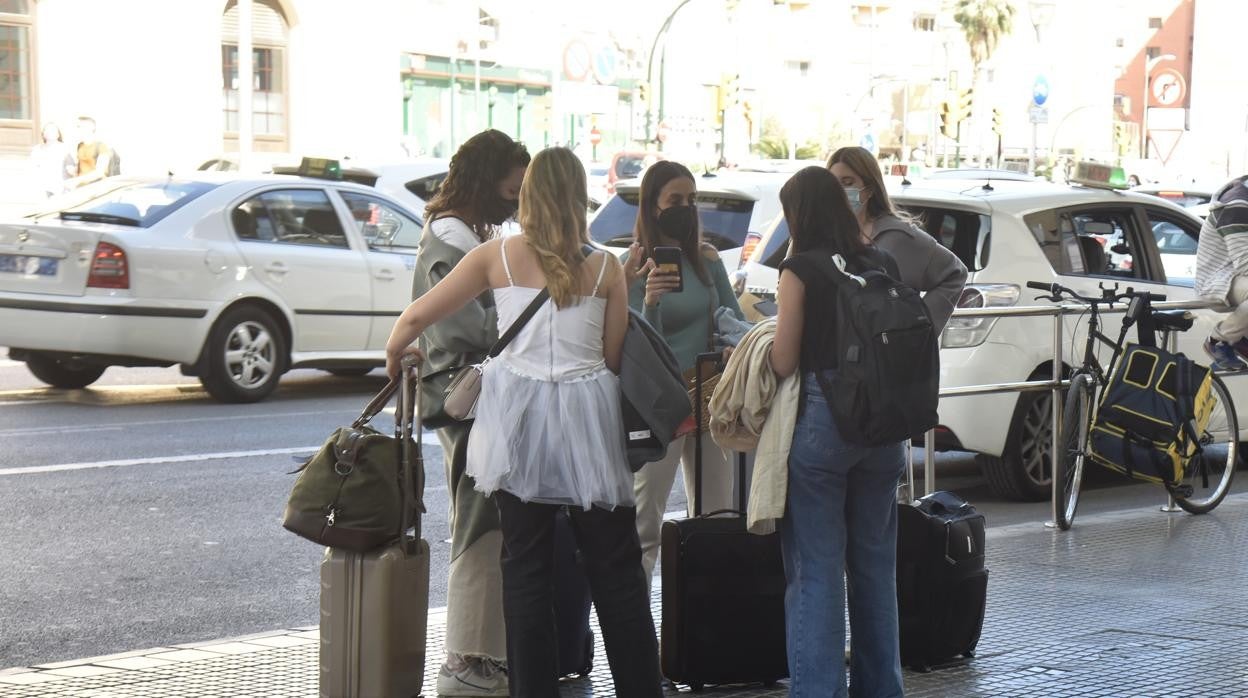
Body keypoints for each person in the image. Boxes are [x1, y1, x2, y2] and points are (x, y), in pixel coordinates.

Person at [387, 147, 663, 698]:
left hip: (516, 423)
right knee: (617, 573)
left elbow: (417, 316)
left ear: (531, 194)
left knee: (526, 569)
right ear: (577, 196)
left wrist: (397, 353)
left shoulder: (498, 256)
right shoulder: (607, 267)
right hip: (588, 423)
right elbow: (611, 359)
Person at [767, 166, 906, 697]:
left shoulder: (799, 269)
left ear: (798, 215)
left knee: (817, 569)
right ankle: (881, 689)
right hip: (883, 427)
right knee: (874, 565)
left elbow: (783, 361)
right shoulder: (880, 260)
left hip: (825, 424)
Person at [409, 129, 529, 697]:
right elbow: (462, 325)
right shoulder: (453, 240)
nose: (516, 199)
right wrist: (519, 308)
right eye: (513, 188)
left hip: (465, 393)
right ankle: (468, 659)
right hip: (467, 396)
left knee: (482, 519)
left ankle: (478, 656)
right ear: (488, 178)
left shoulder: (450, 232)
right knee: (481, 522)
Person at [621, 160, 744, 587]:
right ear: (652, 206)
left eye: (691, 200)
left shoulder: (706, 261)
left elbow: (732, 319)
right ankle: (635, 626)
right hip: (659, 403)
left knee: (715, 514)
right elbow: (632, 342)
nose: (685, 208)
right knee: (645, 521)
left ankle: (706, 616)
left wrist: (736, 343)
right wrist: (650, 301)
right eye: (675, 200)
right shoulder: (633, 265)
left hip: (709, 393)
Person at [827, 146, 968, 333]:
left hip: (882, 357)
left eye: (848, 182)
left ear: (869, 189)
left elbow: (955, 273)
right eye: (834, 184)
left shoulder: (899, 237)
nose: (840, 191)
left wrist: (920, 329)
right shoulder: (827, 235)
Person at [1195, 174, 1248, 371]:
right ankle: (1219, 340)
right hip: (1219, 280)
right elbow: (1245, 262)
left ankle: (1240, 339)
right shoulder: (1237, 205)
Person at [66, 116, 113, 189]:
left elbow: (100, 172)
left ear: (92, 127)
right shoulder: (80, 145)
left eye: (81, 126)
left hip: (97, 188)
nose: (78, 129)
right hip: (82, 188)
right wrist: (74, 171)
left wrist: (76, 180)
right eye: (77, 127)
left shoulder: (101, 146)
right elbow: (83, 168)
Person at [30, 123, 74, 198]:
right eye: (47, 130)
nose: (49, 132)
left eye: (52, 130)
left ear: (58, 134)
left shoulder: (65, 149)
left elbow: (71, 170)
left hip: (60, 189)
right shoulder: (36, 150)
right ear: (43, 134)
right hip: (41, 189)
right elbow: (32, 169)